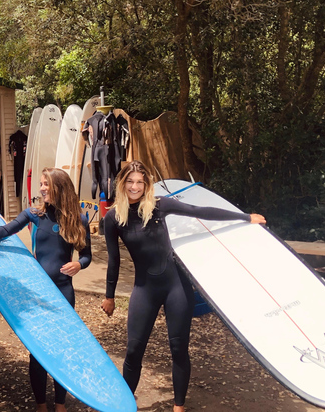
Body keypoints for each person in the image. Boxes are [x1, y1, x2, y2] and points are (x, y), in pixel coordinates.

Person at [101, 161, 266, 412]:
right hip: (144, 289)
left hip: (175, 286)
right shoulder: (113, 218)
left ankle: (179, 407)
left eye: (140, 182)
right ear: (122, 184)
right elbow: (113, 260)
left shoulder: (159, 206)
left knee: (178, 347)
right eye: (130, 181)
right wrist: (109, 296)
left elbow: (198, 210)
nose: (135, 187)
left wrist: (245, 217)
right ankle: (124, 403)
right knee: (133, 349)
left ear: (146, 184)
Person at [0, 167, 92, 412]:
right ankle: (41, 404)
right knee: (38, 351)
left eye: (46, 184)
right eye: (41, 183)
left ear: (60, 188)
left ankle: (61, 403)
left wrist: (78, 264)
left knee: (61, 347)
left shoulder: (79, 219)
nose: (41, 188)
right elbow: (6, 230)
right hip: (38, 293)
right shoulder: (35, 214)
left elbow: (87, 256)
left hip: (64, 292)